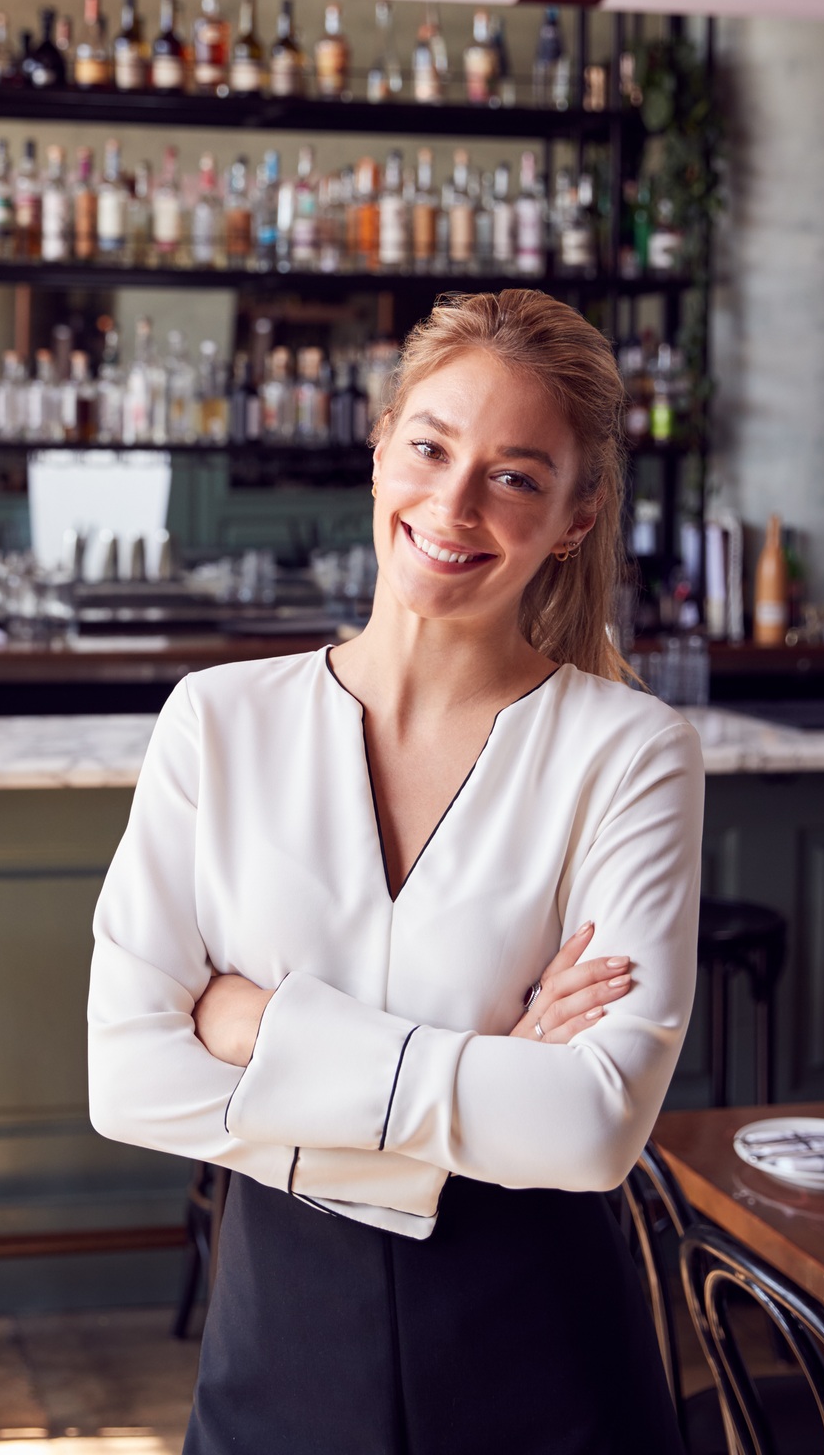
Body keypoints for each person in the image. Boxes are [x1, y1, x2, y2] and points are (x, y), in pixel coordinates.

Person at [88, 288, 702, 1455]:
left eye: (516, 474)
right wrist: (491, 1068)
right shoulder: (216, 720)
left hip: (543, 1356)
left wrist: (252, 1021)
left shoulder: (630, 750)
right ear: (379, 454)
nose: (454, 501)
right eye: (429, 446)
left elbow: (588, 1130)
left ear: (575, 516)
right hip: (280, 1345)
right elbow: (125, 1078)